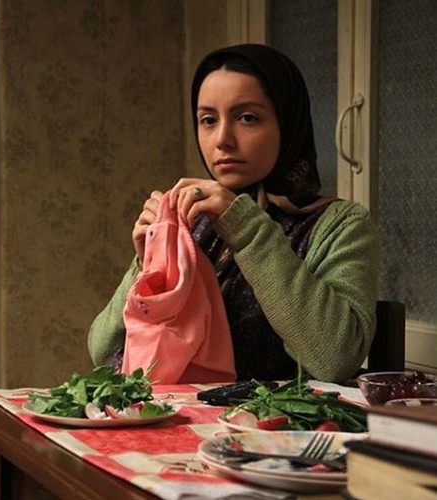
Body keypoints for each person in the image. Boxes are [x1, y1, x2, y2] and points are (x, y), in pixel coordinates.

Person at [88, 44, 380, 383]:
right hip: (172, 412)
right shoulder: (192, 218)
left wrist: (247, 229)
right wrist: (146, 266)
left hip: (269, 417)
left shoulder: (341, 225)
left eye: (247, 118)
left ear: (288, 123)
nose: (222, 140)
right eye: (208, 120)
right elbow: (102, 351)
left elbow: (334, 359)